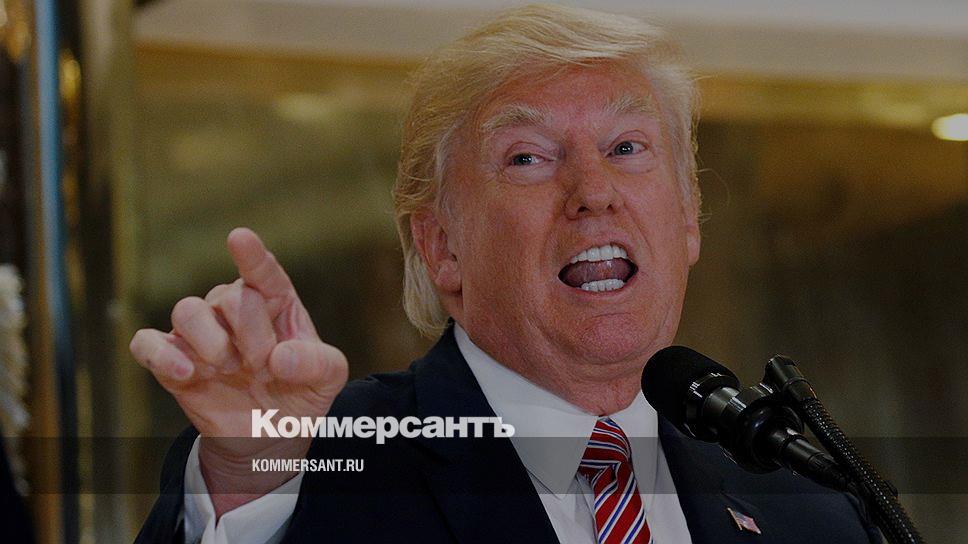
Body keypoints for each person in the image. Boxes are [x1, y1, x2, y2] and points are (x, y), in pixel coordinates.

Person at [130, 5, 881, 543]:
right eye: (528, 158)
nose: (593, 191)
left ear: (688, 218)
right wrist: (252, 477)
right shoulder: (324, 462)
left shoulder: (806, 502)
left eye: (626, 147)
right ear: (442, 248)